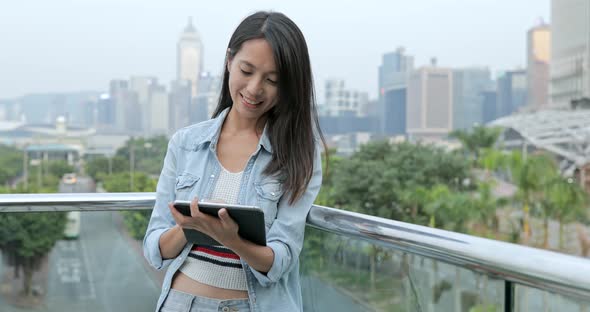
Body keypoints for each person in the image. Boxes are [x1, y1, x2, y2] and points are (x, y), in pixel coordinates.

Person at [143, 11, 326, 312]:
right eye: (247, 70)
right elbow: (154, 249)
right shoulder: (186, 144)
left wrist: (234, 241)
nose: (255, 89)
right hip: (181, 304)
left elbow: (280, 260)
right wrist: (191, 227)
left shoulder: (299, 154)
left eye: (272, 80)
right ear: (229, 61)